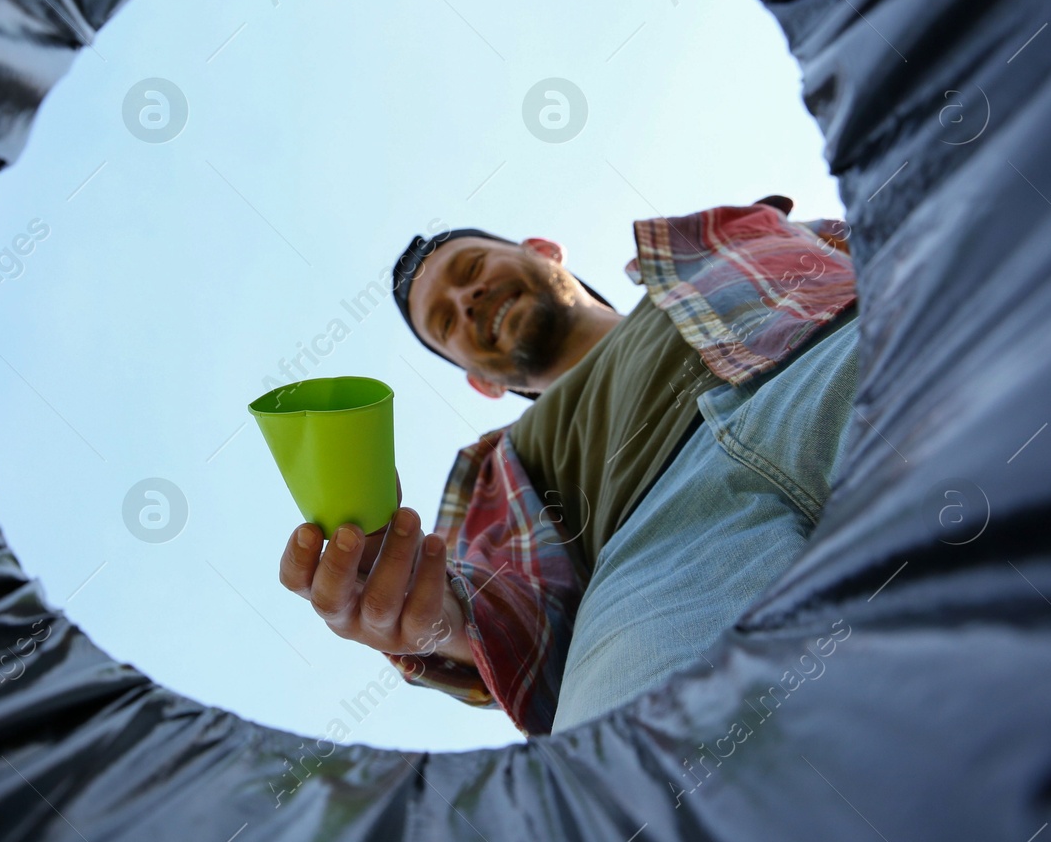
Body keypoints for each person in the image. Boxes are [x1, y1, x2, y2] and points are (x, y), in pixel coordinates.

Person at [277, 197, 859, 735]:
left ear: (544, 250)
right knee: (647, 782)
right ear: (480, 383)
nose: (467, 299)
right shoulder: (494, 473)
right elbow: (491, 617)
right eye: (447, 323)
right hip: (652, 560)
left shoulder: (720, 243)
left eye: (471, 269)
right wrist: (417, 611)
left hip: (827, 360)